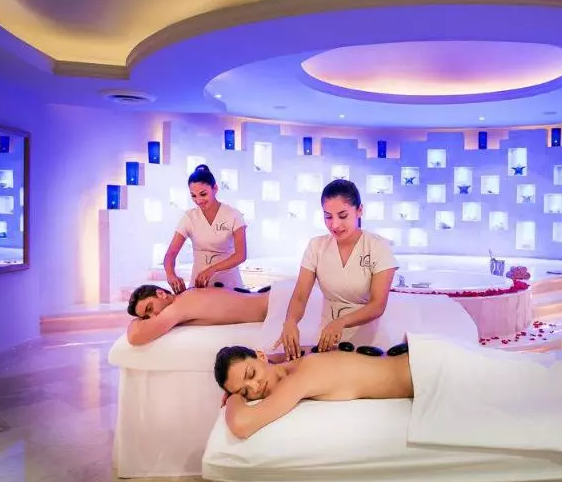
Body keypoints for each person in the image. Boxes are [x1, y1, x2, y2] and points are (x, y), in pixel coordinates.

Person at [274, 179, 399, 358]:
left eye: (343, 216)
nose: (335, 225)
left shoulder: (378, 246)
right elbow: (300, 295)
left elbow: (377, 305)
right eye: (328, 216)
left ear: (359, 210)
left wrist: (341, 322)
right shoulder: (316, 246)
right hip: (327, 343)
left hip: (370, 345)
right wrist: (290, 322)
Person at [214, 345, 413, 439]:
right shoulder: (299, 362)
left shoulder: (299, 377)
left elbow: (242, 425)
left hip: (421, 369)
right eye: (245, 392)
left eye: (251, 374)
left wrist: (233, 398)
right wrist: (237, 393)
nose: (255, 387)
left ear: (261, 356)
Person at [163, 164, 248, 293]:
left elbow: (241, 255)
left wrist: (212, 269)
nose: (199, 200)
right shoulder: (189, 217)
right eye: (193, 195)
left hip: (229, 285)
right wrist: (170, 275)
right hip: (199, 286)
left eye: (203, 194)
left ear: (215, 189)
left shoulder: (233, 215)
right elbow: (171, 253)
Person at [125, 284, 268, 345]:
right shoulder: (186, 296)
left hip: (274, 304)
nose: (153, 316)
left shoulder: (179, 306)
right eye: (146, 317)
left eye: (150, 308)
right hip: (271, 300)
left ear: (161, 293)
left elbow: (135, 337)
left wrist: (134, 322)